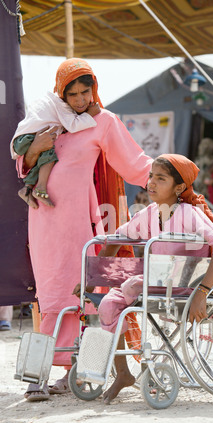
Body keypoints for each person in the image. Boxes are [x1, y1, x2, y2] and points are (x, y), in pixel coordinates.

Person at [13, 58, 153, 401]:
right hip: (44, 219)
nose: (80, 98)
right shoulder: (51, 118)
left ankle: (79, 370)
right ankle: (39, 374)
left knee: (84, 296)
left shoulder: (103, 122)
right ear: (61, 93)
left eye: (85, 90)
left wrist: (175, 177)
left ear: (94, 89)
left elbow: (134, 164)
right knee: (49, 296)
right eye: (71, 92)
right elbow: (24, 165)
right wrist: (35, 148)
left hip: (80, 220)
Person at [73, 154, 213, 404]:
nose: (151, 183)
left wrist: (202, 292)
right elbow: (117, 239)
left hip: (186, 287)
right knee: (107, 305)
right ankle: (124, 374)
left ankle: (132, 367)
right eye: (151, 176)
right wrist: (93, 276)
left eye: (161, 178)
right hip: (156, 284)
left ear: (179, 187)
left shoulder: (190, 214)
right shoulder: (149, 214)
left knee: (126, 288)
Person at [11, 92, 101, 208]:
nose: (80, 100)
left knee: (40, 162)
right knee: (49, 154)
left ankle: (27, 189)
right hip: (32, 137)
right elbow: (73, 125)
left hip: (21, 138)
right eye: (73, 94)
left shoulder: (48, 100)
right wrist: (90, 114)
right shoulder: (62, 105)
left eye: (85, 93)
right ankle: (41, 188)